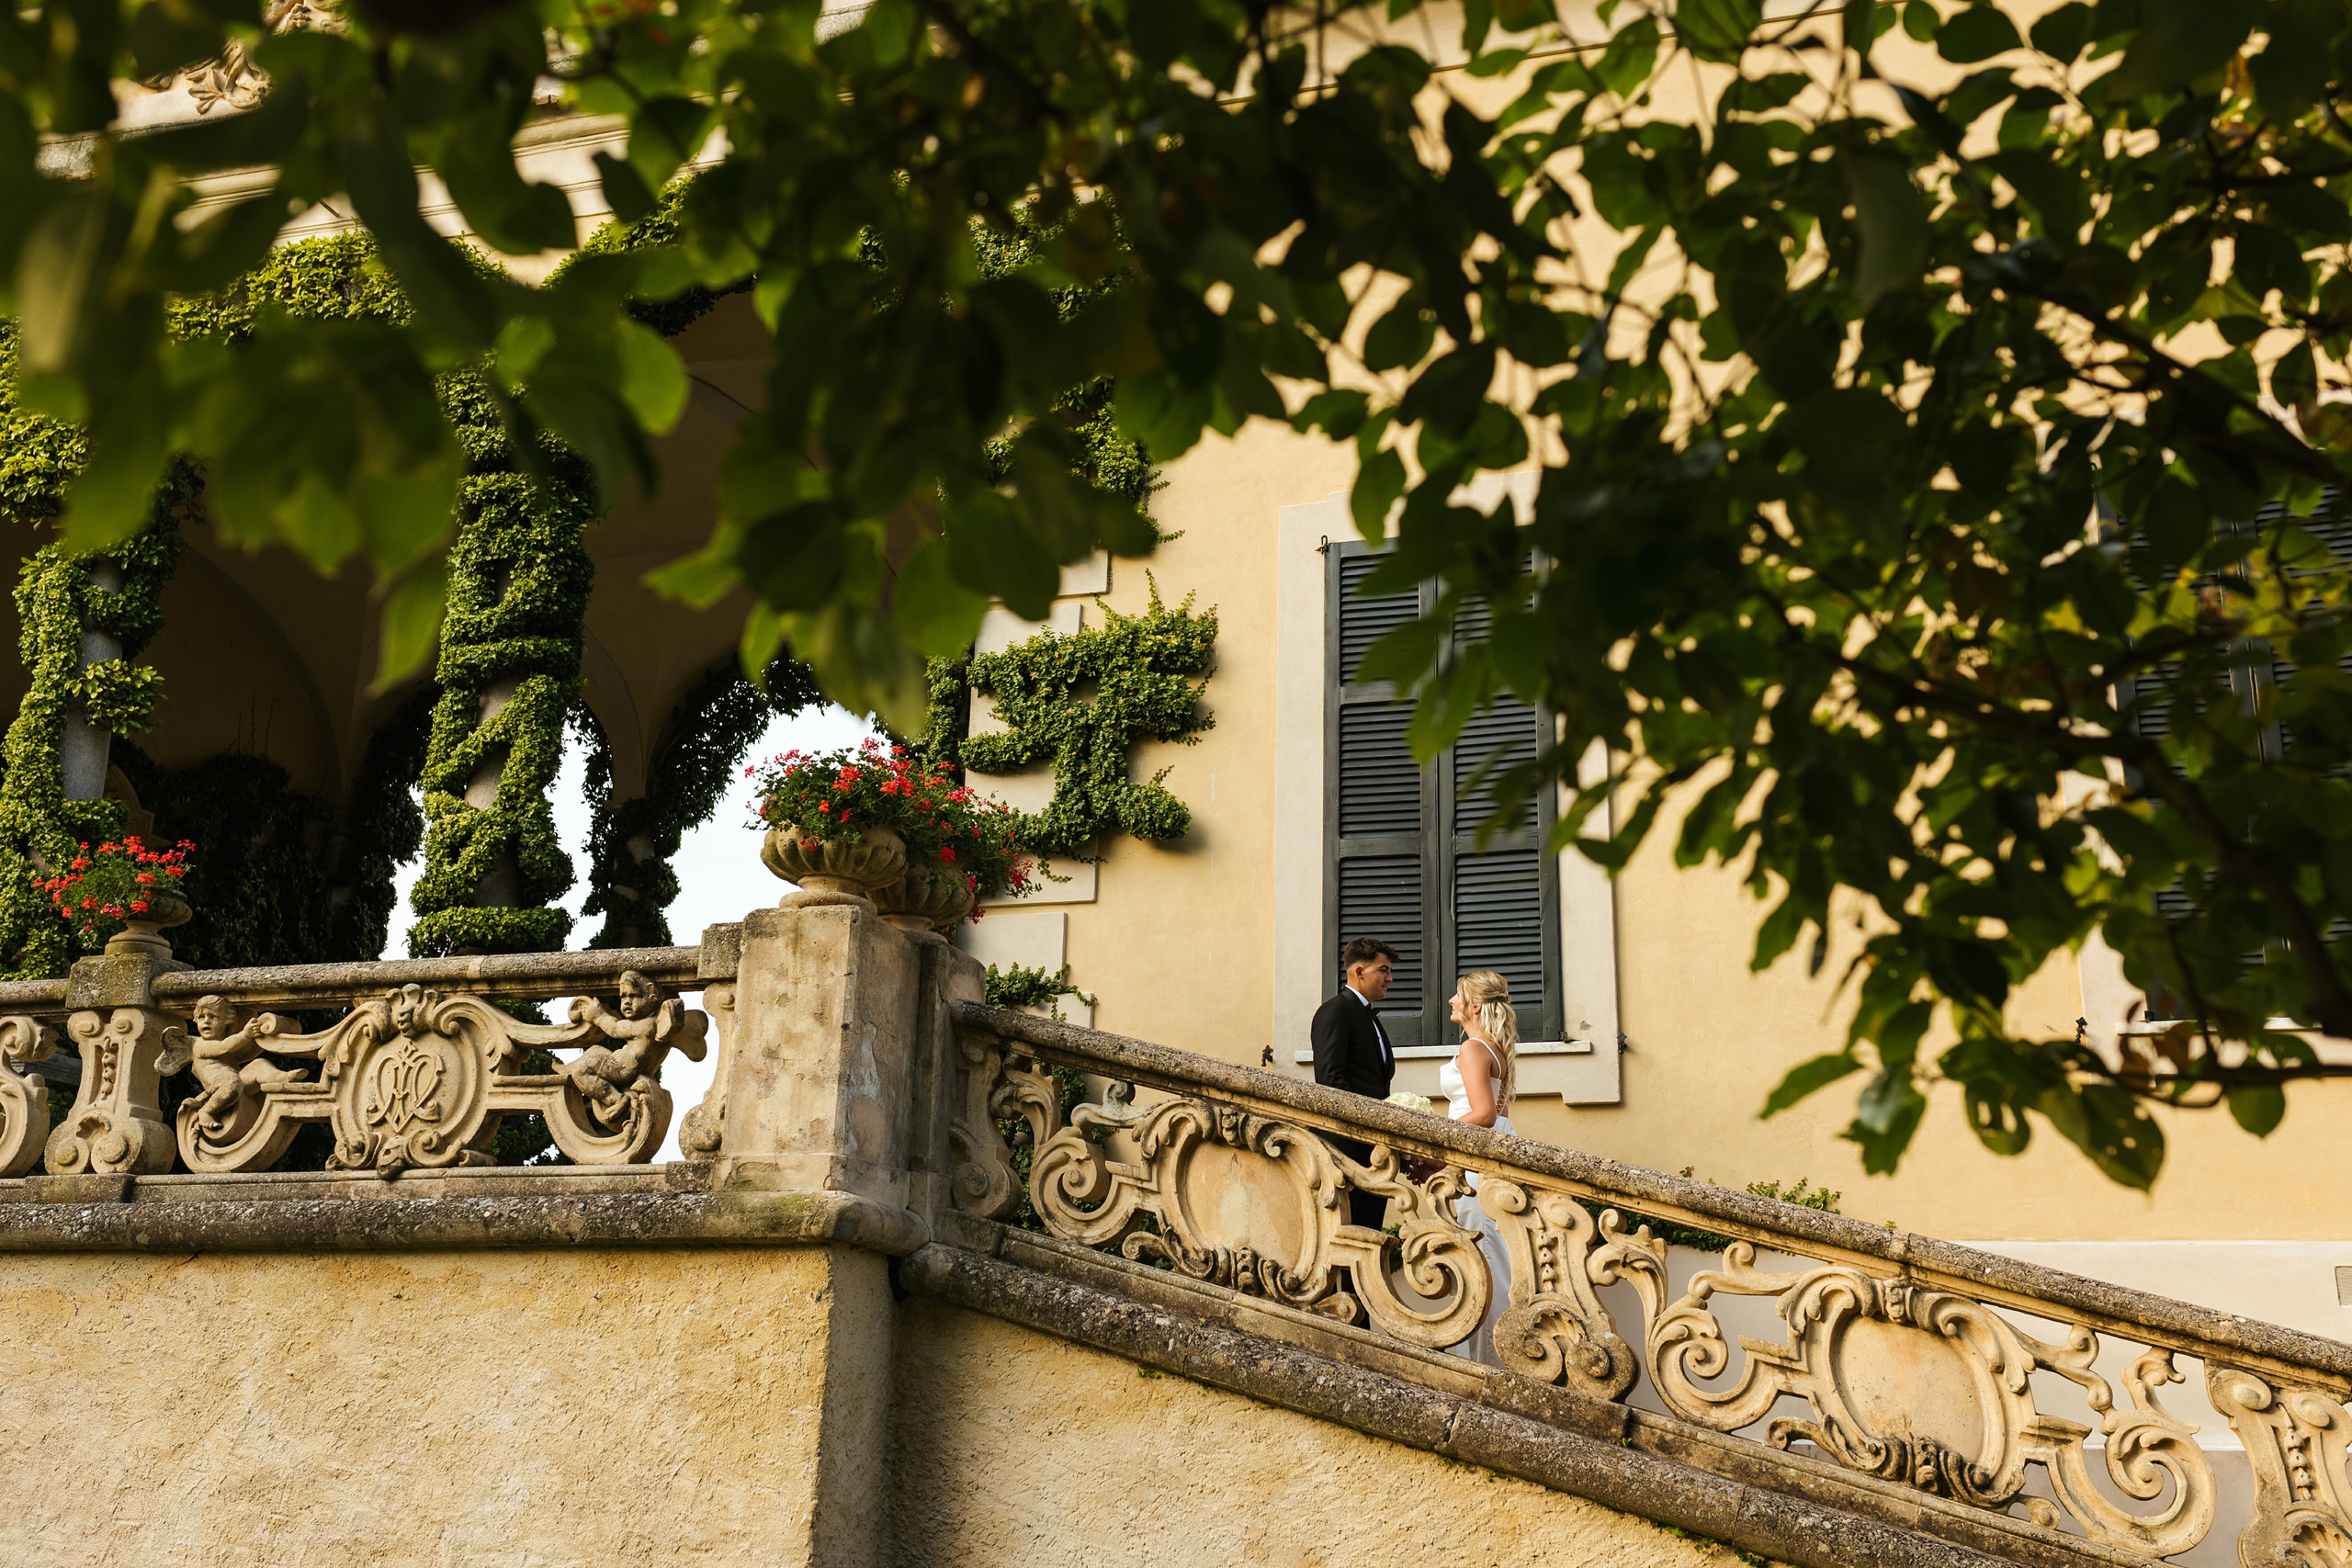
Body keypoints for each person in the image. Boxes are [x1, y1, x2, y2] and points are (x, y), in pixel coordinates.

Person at [1440, 969, 1519, 1366]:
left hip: (1475, 1167)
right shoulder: (1494, 1050)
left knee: (1483, 1265)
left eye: (1458, 996)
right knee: (1494, 1262)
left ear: (1473, 1005)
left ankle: (1485, 1366)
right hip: (1488, 1161)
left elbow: (1485, 1114)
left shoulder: (1473, 1049)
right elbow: (1500, 1116)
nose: (1452, 1002)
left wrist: (1433, 1140)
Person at [1310, 937, 1398, 1230]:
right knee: (1346, 1241)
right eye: (1383, 970)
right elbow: (1330, 1082)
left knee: (1369, 1241)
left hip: (1375, 1154)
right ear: (1359, 972)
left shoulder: (1369, 1016)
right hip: (1347, 1153)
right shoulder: (1334, 1012)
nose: (1390, 977)